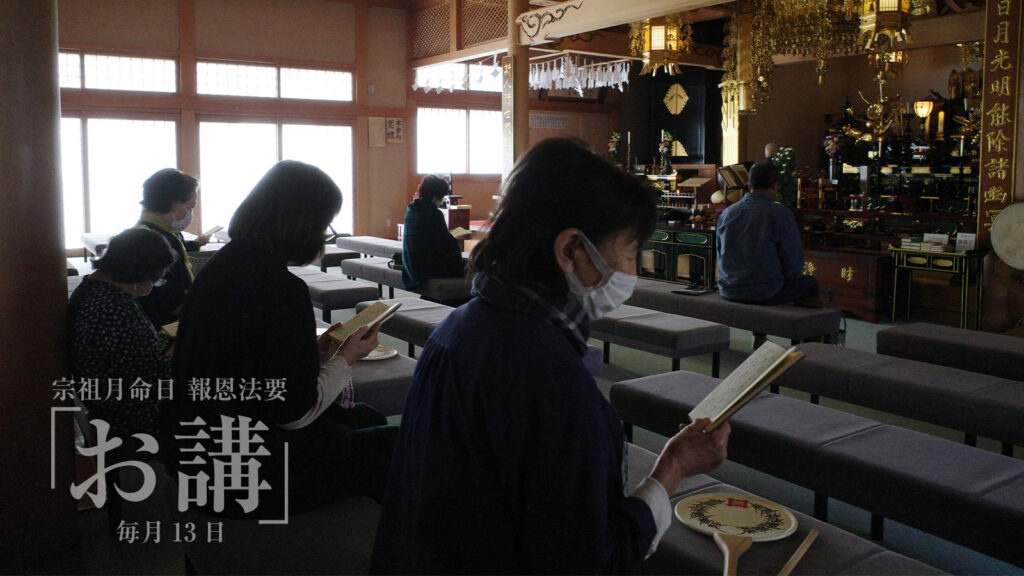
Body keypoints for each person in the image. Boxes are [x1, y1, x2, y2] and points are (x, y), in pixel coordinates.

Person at [371, 139, 730, 574]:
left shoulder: (460, 326)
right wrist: (672, 468)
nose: (632, 272)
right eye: (630, 253)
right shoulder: (551, 378)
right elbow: (592, 560)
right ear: (569, 250)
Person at [167, 160, 397, 518]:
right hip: (249, 469)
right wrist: (346, 357)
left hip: (199, 446)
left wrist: (312, 350)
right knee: (394, 444)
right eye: (323, 224)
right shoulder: (281, 289)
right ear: (302, 224)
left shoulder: (223, 266)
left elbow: (249, 358)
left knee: (363, 417)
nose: (325, 234)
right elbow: (295, 414)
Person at [67, 227, 177, 438]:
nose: (153, 286)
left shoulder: (93, 289)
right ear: (140, 274)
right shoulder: (111, 309)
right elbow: (154, 376)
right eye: (156, 279)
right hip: (131, 415)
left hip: (109, 405)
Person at [716, 160, 819, 305]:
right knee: (810, 284)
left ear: (749, 184)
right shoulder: (780, 214)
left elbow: (720, 255)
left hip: (729, 289)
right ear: (775, 185)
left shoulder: (727, 213)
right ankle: (786, 325)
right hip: (765, 291)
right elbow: (793, 264)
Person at [136, 168, 210, 329]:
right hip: (160, 329)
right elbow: (173, 301)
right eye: (190, 207)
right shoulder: (158, 242)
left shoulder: (144, 231)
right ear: (174, 204)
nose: (190, 214)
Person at [400, 174, 465, 292]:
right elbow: (446, 246)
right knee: (473, 267)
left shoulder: (412, 210)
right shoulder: (433, 213)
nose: (442, 201)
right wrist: (455, 240)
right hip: (427, 270)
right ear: (435, 197)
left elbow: (433, 239)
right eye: (442, 197)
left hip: (411, 267)